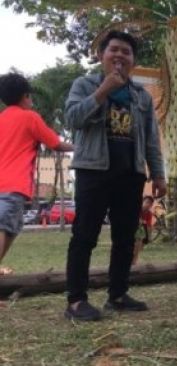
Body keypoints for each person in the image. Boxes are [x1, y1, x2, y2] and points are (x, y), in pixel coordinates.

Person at [63, 30, 167, 321]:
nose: (120, 56)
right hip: (93, 172)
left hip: (130, 175)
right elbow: (72, 119)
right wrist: (102, 92)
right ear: (101, 55)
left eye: (126, 52)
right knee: (84, 236)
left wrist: (157, 174)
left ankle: (118, 295)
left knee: (125, 237)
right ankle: (76, 301)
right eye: (114, 50)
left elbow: (150, 140)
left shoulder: (141, 97)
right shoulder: (84, 84)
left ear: (133, 60)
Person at [0, 73, 74, 280]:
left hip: (7, 186)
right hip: (12, 186)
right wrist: (81, 147)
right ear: (26, 95)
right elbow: (56, 144)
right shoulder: (29, 117)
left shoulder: (2, 118)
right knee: (4, 229)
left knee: (11, 230)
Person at [132, 195, 154, 265]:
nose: (148, 205)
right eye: (147, 202)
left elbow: (149, 226)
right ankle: (132, 259)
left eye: (150, 203)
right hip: (132, 227)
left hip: (140, 228)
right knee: (136, 244)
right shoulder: (136, 209)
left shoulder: (149, 214)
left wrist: (149, 236)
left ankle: (134, 260)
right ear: (142, 202)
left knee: (140, 245)